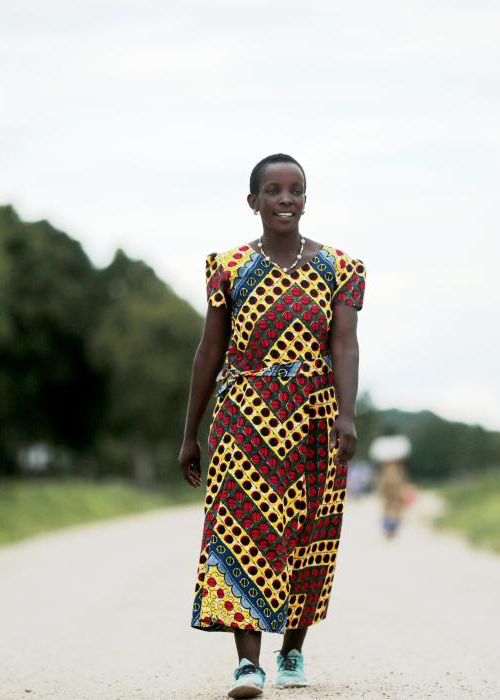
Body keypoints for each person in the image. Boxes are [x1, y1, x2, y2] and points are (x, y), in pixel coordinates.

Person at [178, 154, 365, 698]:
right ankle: (247, 665)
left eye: (296, 190)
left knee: (308, 532)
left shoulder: (339, 268)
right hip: (243, 418)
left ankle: (292, 651)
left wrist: (347, 415)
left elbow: (345, 344)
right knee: (241, 530)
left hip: (315, 413)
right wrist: (191, 433)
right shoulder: (228, 267)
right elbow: (209, 351)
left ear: (306, 199)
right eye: (275, 190)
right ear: (253, 201)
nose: (287, 199)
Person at [368, 427, 411, 538]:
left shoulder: (380, 445)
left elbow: (376, 461)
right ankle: (391, 526)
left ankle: (388, 526)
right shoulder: (400, 444)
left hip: (386, 473)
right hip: (395, 474)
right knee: (395, 502)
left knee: (387, 502)